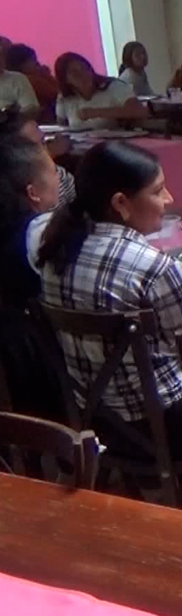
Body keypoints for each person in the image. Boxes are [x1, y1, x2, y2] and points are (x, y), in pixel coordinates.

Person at [35, 141, 182, 459]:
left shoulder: (55, 251)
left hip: (96, 420)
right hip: (168, 422)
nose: (169, 199)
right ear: (121, 203)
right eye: (158, 191)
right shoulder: (156, 267)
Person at [0, 111, 65, 421]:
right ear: (33, 193)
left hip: (15, 360)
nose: (60, 177)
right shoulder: (42, 233)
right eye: (53, 172)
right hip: (45, 362)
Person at [54, 52, 145, 130]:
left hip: (113, 143)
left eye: (84, 69)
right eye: (75, 73)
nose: (83, 75)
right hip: (79, 144)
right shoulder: (65, 97)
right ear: (65, 80)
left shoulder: (113, 86)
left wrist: (96, 112)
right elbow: (62, 127)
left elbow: (139, 111)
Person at [5, 44, 58, 121]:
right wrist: (46, 74)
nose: (37, 63)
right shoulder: (32, 80)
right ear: (22, 64)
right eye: (33, 60)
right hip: (45, 121)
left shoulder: (11, 80)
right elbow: (57, 93)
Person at [0, 43, 38, 117]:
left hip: (12, 122)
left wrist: (10, 115)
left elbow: (31, 108)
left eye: (1, 56)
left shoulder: (18, 79)